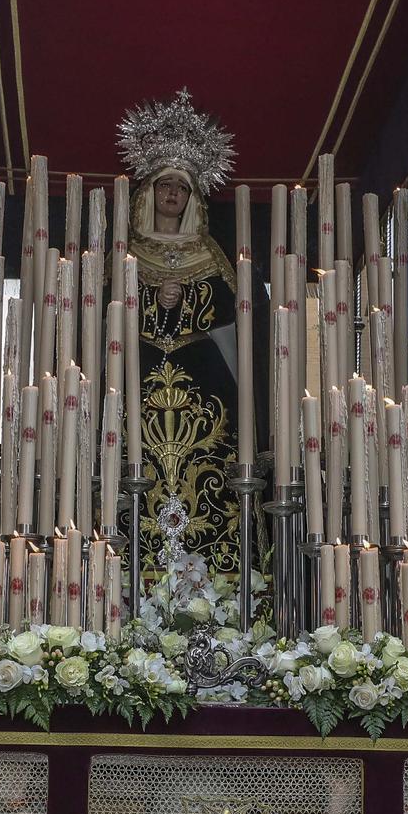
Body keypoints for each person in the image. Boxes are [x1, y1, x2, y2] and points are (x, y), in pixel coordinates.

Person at [117, 89, 268, 576]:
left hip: (200, 381)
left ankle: (220, 573)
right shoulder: (128, 254)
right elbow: (107, 317)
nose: (172, 196)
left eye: (181, 189)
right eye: (164, 185)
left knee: (215, 467)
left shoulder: (209, 252)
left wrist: (188, 301)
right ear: (149, 192)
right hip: (137, 374)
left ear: (192, 198)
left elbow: (236, 311)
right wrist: (148, 304)